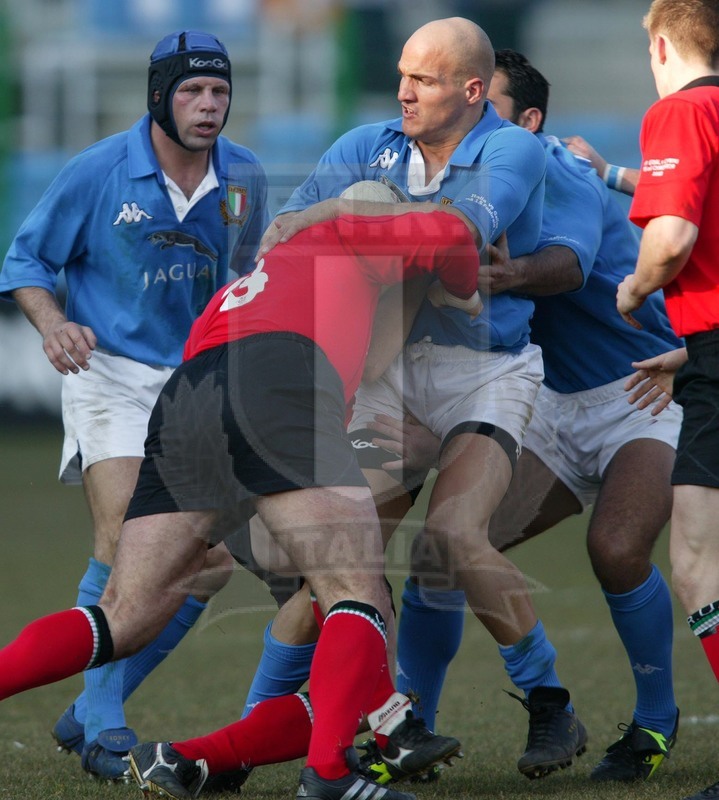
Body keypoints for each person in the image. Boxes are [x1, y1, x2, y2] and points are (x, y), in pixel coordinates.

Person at [0, 201, 479, 800]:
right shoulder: (350, 230)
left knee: (122, 615)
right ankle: (331, 774)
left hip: (192, 394)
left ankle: (386, 724)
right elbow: (455, 230)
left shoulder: (258, 278)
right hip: (281, 378)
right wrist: (463, 288)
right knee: (355, 591)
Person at [257, 17, 590, 781]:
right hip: (389, 375)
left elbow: (456, 234)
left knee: (453, 536)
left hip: (488, 373)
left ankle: (548, 701)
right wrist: (334, 221)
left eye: (426, 80)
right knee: (338, 556)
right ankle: (265, 724)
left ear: (473, 92)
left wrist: (344, 219)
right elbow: (280, 234)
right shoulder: (362, 146)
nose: (403, 92)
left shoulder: (510, 147)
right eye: (403, 74)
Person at [374, 48, 683, 784]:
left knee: (614, 548)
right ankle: (416, 729)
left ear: (526, 118)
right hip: (543, 398)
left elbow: (568, 267)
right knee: (440, 555)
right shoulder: (450, 178)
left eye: (486, 107)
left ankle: (654, 722)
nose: (469, 124)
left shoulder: (551, 168)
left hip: (641, 390)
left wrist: (485, 273)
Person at [0, 30, 269, 780]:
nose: (209, 105)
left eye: (219, 92)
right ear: (160, 96)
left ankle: (89, 707)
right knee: (127, 543)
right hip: (109, 373)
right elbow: (24, 262)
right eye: (192, 91)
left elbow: (245, 276)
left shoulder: (242, 175)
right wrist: (54, 324)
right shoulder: (97, 172)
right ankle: (105, 724)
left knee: (207, 564)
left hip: (197, 384)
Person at [613, 2, 719, 798]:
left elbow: (671, 237)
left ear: (659, 44)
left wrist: (635, 286)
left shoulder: (682, 108)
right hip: (705, 350)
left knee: (694, 563)